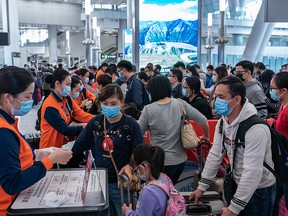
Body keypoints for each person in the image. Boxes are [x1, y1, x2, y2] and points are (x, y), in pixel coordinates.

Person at [190, 76, 276, 216]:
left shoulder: (256, 129)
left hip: (259, 190)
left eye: (221, 97)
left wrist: (234, 208)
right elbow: (215, 155)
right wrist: (202, 187)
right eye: (215, 96)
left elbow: (252, 172)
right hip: (238, 183)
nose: (216, 101)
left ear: (237, 99)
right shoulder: (223, 122)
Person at [0, 66, 72, 215]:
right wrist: (50, 160)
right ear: (8, 97)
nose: (31, 101)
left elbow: (13, 156)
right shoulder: (3, 132)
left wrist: (38, 154)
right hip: (8, 207)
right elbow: (12, 183)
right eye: (27, 97)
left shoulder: (9, 121)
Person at [72, 84, 144, 216]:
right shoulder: (96, 122)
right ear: (100, 104)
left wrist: (130, 165)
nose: (109, 107)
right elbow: (79, 145)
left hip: (121, 184)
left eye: (114, 103)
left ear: (122, 103)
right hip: (98, 182)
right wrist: (58, 154)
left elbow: (140, 152)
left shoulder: (130, 124)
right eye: (105, 103)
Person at [138, 76, 209, 184]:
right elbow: (203, 120)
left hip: (161, 162)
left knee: (160, 193)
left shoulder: (149, 109)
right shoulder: (180, 103)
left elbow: (138, 133)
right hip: (180, 161)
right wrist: (206, 136)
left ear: (153, 91)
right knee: (170, 191)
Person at [39, 69, 94, 149]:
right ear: (57, 84)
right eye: (67, 84)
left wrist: (97, 119)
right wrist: (85, 127)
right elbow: (64, 129)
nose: (69, 87)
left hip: (63, 145)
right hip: (50, 148)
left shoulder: (67, 98)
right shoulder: (50, 106)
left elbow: (79, 114)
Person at [122, 144, 169, 216]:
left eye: (136, 170)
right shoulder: (165, 178)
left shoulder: (149, 191)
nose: (138, 174)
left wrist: (128, 212)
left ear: (142, 167)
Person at [271, 72, 288, 215]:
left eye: (273, 89)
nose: (272, 92)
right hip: (281, 161)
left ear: (284, 90)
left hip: (287, 161)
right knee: (274, 200)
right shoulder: (282, 105)